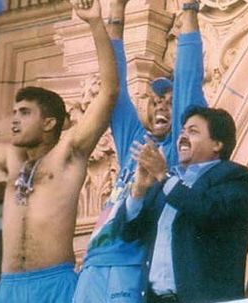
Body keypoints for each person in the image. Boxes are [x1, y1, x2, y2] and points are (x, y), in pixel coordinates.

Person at [0, 0, 118, 302]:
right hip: (7, 288)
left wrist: (95, 24)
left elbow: (108, 92)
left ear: (49, 123)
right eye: (15, 111)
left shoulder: (69, 153)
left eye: (24, 112)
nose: (14, 119)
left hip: (54, 284)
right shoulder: (12, 161)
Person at [73, 0, 207, 302]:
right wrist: (116, 12)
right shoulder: (135, 141)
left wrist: (188, 9)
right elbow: (115, 89)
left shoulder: (175, 152)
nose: (161, 104)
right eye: (156, 99)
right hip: (93, 263)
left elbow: (188, 79)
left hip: (130, 264)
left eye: (169, 101)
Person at [120, 106, 248, 303]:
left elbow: (208, 210)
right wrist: (139, 190)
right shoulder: (168, 182)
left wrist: (162, 175)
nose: (183, 136)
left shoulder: (236, 177)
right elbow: (129, 232)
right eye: (183, 130)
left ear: (217, 144)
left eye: (193, 131)